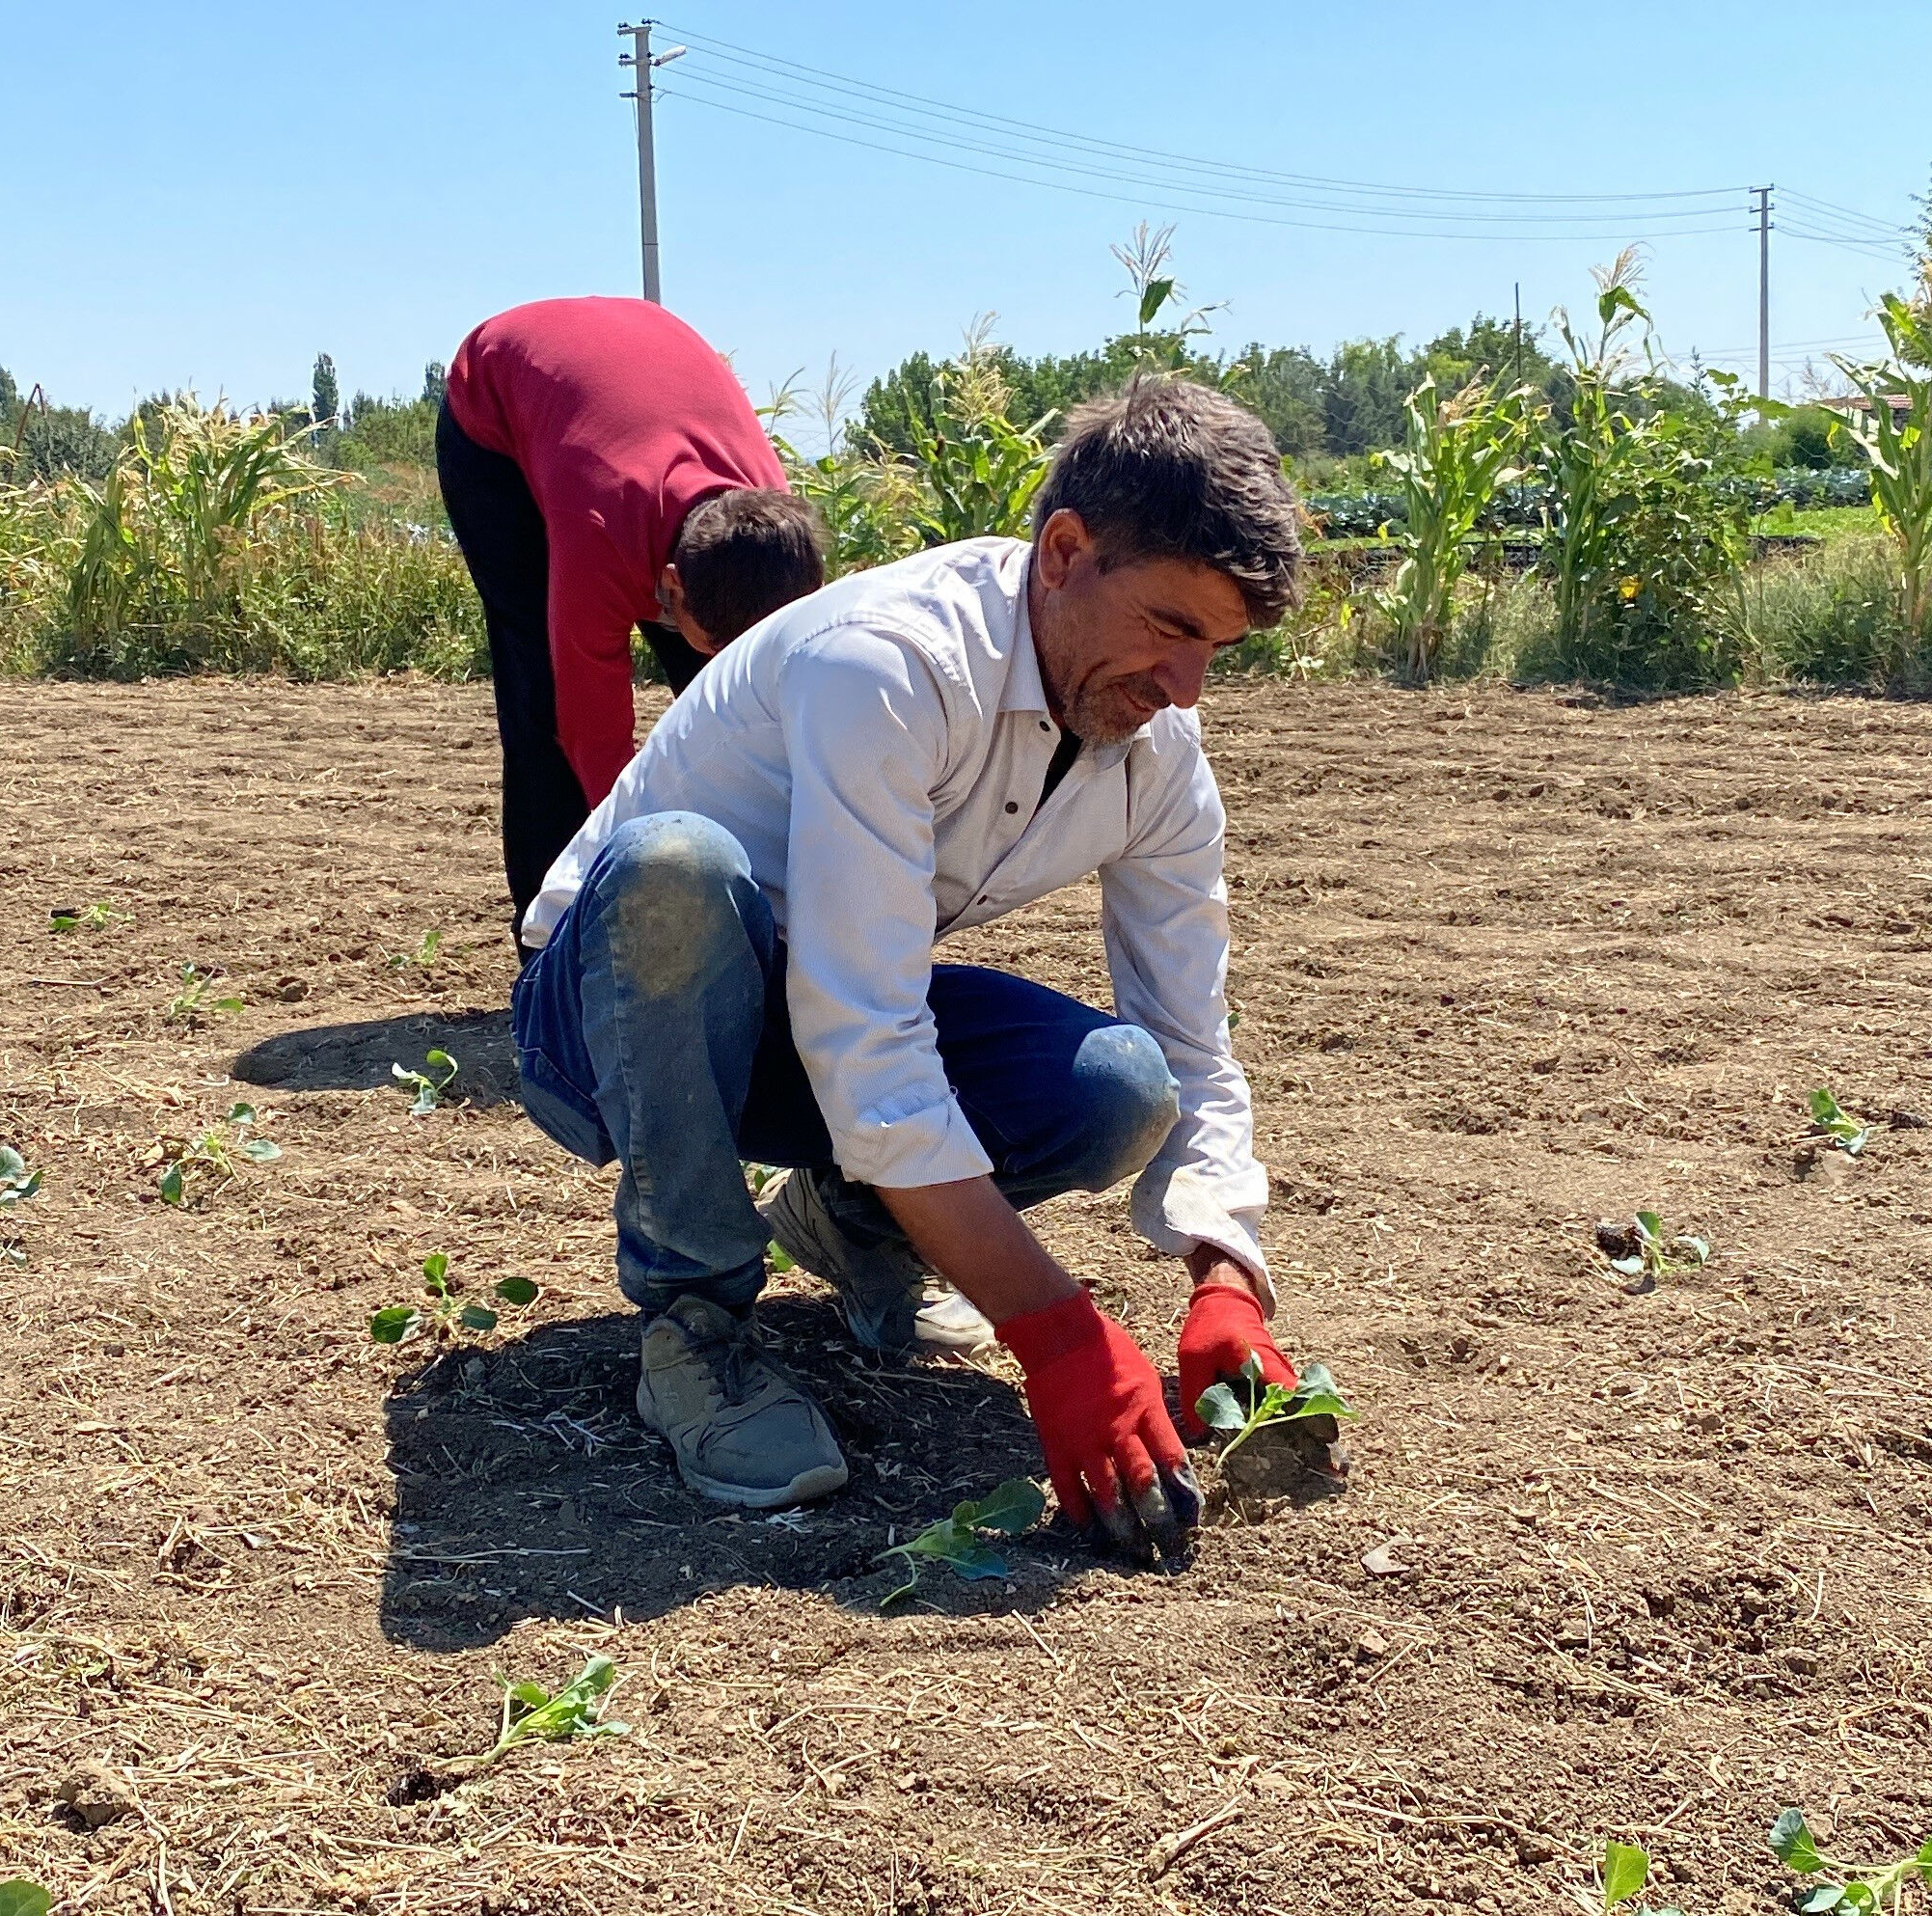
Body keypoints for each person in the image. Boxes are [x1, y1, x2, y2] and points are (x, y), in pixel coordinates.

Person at [504, 376, 1312, 1558]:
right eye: (1172, 627)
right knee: (679, 868)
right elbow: (867, 1038)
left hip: (804, 1011)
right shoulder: (886, 663)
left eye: (1217, 650)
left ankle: (855, 1225)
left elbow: (1191, 1039)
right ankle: (695, 1323)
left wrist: (1224, 1268)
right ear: (1065, 552)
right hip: (611, 1010)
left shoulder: (1154, 755)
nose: (1187, 686)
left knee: (1123, 1084)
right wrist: (1054, 1327)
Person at [434, 296, 829, 917]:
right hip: (497, 407)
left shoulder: (776, 528)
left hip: (634, 374)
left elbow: (784, 723)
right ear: (668, 588)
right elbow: (594, 740)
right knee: (542, 697)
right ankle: (552, 946)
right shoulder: (599, 541)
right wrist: (638, 874)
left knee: (743, 700)